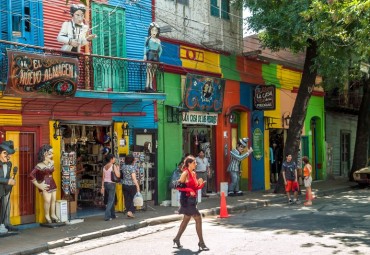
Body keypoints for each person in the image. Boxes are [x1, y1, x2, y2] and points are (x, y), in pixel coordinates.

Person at [173, 156, 209, 251]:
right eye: (194, 163)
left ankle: (176, 239)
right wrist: (189, 189)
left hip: (192, 199)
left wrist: (201, 184)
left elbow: (196, 188)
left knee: (186, 219)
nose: (196, 164)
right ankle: (201, 242)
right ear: (189, 163)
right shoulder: (185, 173)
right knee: (198, 217)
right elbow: (178, 187)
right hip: (186, 200)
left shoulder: (193, 173)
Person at [30, 145, 60, 224]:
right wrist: (38, 185)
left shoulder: (51, 163)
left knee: (53, 199)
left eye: (52, 154)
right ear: (44, 153)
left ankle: (53, 214)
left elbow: (52, 170)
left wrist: (51, 163)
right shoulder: (39, 165)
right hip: (44, 183)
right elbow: (31, 175)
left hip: (52, 181)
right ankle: (47, 215)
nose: (51, 155)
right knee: (47, 201)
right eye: (50, 153)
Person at [0, 141, 17, 233]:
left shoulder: (9, 164)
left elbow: (6, 175)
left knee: (6, 207)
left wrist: (10, 178)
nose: (8, 156)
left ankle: (6, 224)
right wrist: (7, 181)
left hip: (5, 189)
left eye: (9, 154)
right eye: (5, 153)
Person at [143, 22, 162, 92]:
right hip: (150, 55)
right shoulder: (148, 38)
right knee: (148, 71)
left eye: (156, 30)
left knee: (153, 72)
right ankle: (147, 86)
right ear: (150, 31)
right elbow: (145, 46)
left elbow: (160, 50)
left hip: (155, 57)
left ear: (157, 32)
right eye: (153, 30)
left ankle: (150, 86)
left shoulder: (158, 40)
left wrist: (158, 56)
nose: (154, 32)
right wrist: (144, 55)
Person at [101, 154, 120, 221]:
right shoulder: (113, 166)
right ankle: (107, 216)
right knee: (111, 200)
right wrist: (118, 169)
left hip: (106, 184)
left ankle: (113, 215)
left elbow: (103, 178)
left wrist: (102, 186)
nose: (114, 159)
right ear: (111, 159)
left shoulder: (104, 167)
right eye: (114, 158)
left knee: (111, 199)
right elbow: (118, 175)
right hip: (111, 184)